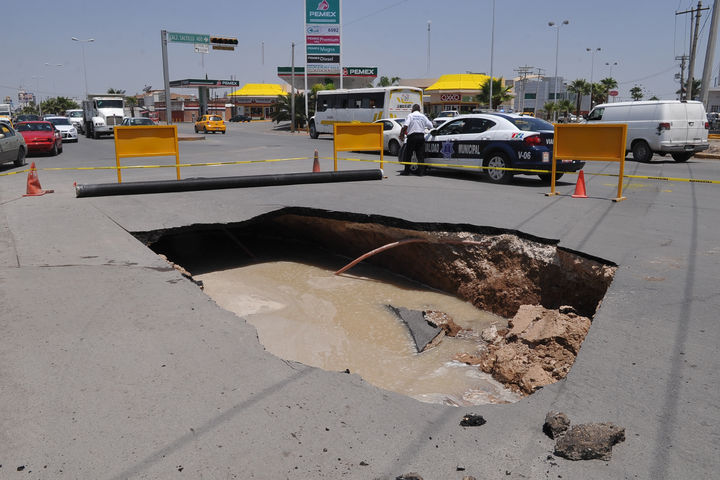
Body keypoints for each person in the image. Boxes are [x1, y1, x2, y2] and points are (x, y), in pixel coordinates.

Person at [400, 104, 433, 175]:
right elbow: (431, 126)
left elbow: (405, 125)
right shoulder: (423, 116)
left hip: (412, 137)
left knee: (409, 154)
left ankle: (406, 171)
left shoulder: (410, 115)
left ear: (412, 109)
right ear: (419, 110)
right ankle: (421, 172)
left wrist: (401, 135)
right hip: (421, 136)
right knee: (420, 155)